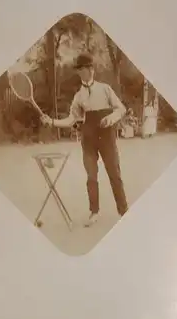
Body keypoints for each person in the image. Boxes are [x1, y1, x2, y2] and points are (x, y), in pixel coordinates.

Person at [40, 53, 128, 227]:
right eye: (82, 69)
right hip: (88, 139)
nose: (86, 72)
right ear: (80, 72)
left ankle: (124, 210)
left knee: (115, 175)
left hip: (107, 138)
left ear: (91, 69)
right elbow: (71, 119)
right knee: (91, 177)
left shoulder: (105, 89)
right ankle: (94, 212)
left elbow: (121, 108)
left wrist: (110, 119)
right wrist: (51, 121)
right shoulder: (79, 96)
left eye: (88, 68)